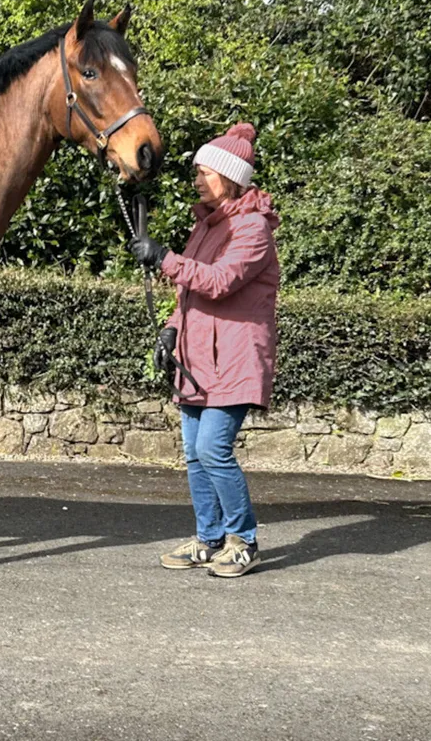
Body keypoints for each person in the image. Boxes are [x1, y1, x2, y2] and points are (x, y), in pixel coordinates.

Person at [130, 123, 280, 578]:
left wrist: (164, 258)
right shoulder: (206, 225)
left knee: (214, 449)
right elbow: (189, 295)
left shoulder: (252, 230)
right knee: (194, 452)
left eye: (204, 172)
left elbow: (217, 282)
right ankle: (208, 538)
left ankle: (244, 540)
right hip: (197, 359)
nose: (196, 179)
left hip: (234, 361)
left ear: (230, 178)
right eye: (197, 171)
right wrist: (171, 330)